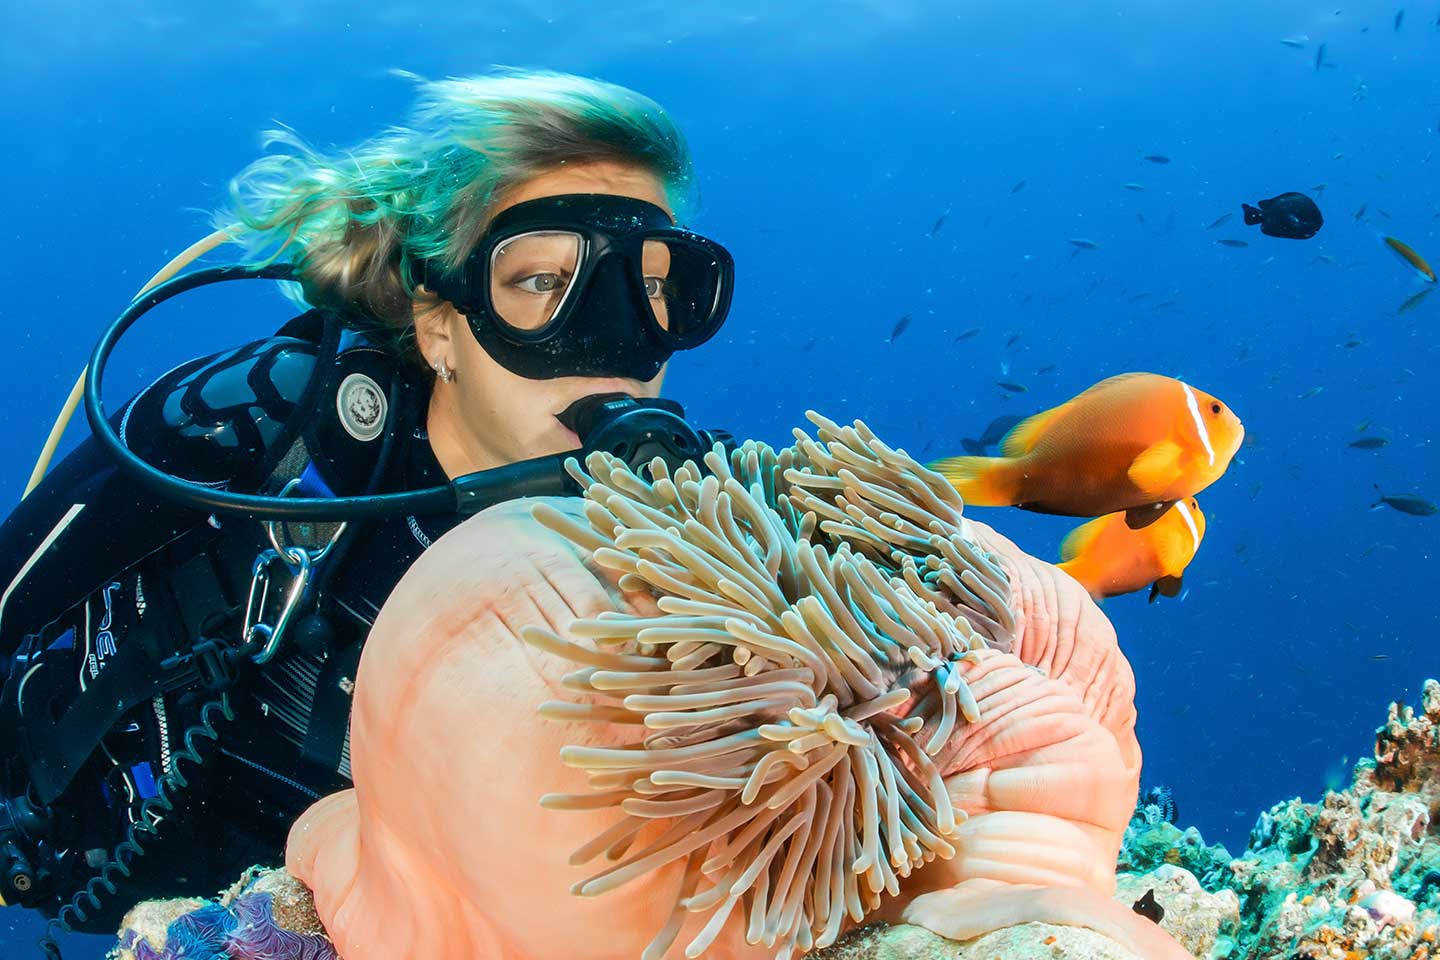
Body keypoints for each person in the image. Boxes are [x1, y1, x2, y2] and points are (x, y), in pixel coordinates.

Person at [0, 69, 735, 939]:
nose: (620, 336)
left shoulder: (692, 524)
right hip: (84, 847)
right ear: (437, 324)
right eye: (541, 281)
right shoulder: (269, 422)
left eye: (655, 287)